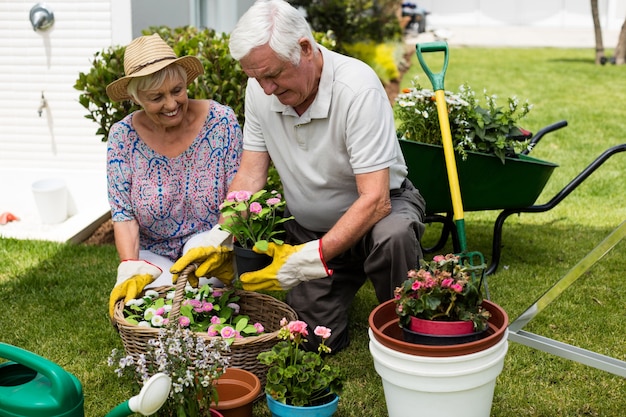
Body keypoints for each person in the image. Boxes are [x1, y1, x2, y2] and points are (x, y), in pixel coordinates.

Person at [171, 0, 426, 352]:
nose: (266, 89)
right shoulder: (260, 90)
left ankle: (406, 332)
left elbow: (376, 200)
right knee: (312, 341)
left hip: (377, 216)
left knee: (393, 236)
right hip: (310, 227)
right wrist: (221, 236)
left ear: (305, 48)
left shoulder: (357, 88)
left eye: (273, 74)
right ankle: (336, 288)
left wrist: (306, 261)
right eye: (256, 78)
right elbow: (250, 174)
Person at [105, 33, 243, 318]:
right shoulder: (122, 137)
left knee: (199, 298)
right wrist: (131, 268)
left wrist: (219, 245)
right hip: (154, 252)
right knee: (158, 308)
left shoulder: (222, 121)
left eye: (177, 90)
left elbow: (238, 196)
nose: (171, 104)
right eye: (156, 97)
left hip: (208, 244)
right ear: (136, 98)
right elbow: (123, 215)